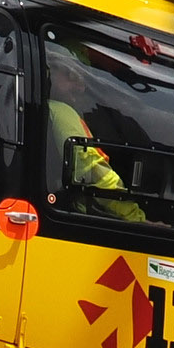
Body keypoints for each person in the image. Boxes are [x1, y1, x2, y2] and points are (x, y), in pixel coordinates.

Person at [44, 44, 148, 222]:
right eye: (71, 76)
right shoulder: (61, 112)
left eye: (83, 81)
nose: (80, 87)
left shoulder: (41, 109)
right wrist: (137, 218)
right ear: (49, 70)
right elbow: (94, 173)